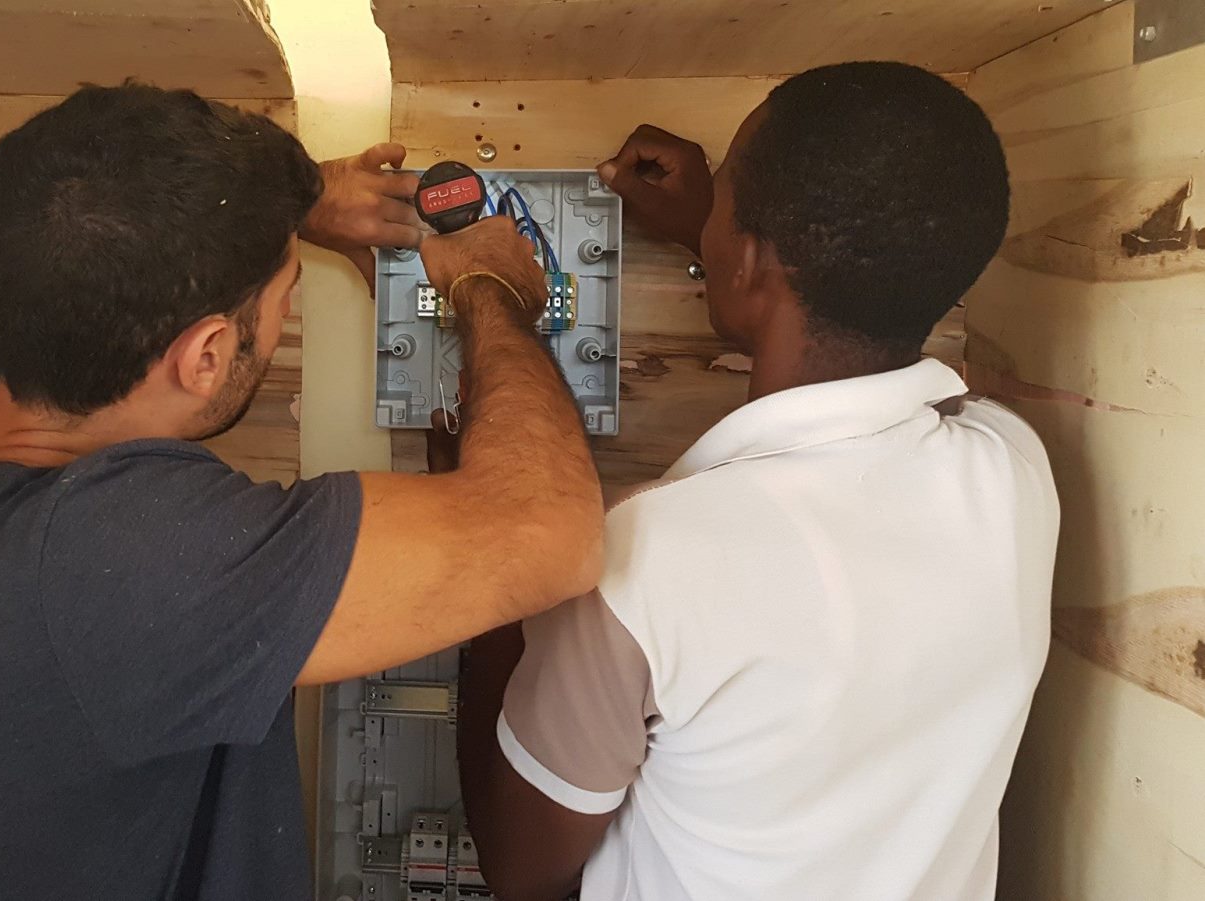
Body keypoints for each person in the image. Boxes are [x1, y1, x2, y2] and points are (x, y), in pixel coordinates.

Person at [0, 83, 604, 901]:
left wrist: (270, 216)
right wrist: (488, 292)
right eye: (283, 300)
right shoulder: (110, 565)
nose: (284, 311)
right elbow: (548, 531)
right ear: (205, 354)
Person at [454, 62, 1060, 901]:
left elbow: (518, 870)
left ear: (747, 262)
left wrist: (501, 528)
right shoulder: (1014, 473)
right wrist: (732, 240)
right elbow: (857, 294)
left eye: (726, 189)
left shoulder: (646, 563)